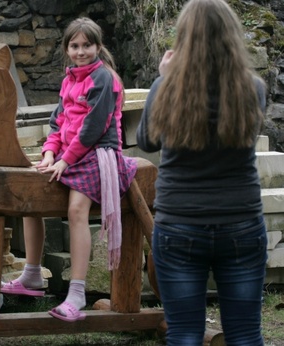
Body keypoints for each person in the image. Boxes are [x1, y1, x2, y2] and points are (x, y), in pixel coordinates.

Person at [136, 0, 267, 345]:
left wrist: (162, 80)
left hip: (179, 224)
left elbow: (146, 141)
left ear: (184, 38)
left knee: (183, 334)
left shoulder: (168, 89)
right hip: (241, 223)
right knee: (246, 334)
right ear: (232, 37)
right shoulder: (253, 88)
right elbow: (248, 140)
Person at [1, 17, 137, 322]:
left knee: (76, 210)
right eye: (74, 46)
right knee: (29, 197)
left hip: (97, 153)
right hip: (67, 154)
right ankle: (32, 275)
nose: (81, 51)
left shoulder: (104, 79)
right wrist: (50, 152)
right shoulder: (69, 80)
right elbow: (58, 123)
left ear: (98, 47)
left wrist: (65, 159)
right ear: (67, 49)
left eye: (87, 45)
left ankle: (76, 294)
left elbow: (93, 127)